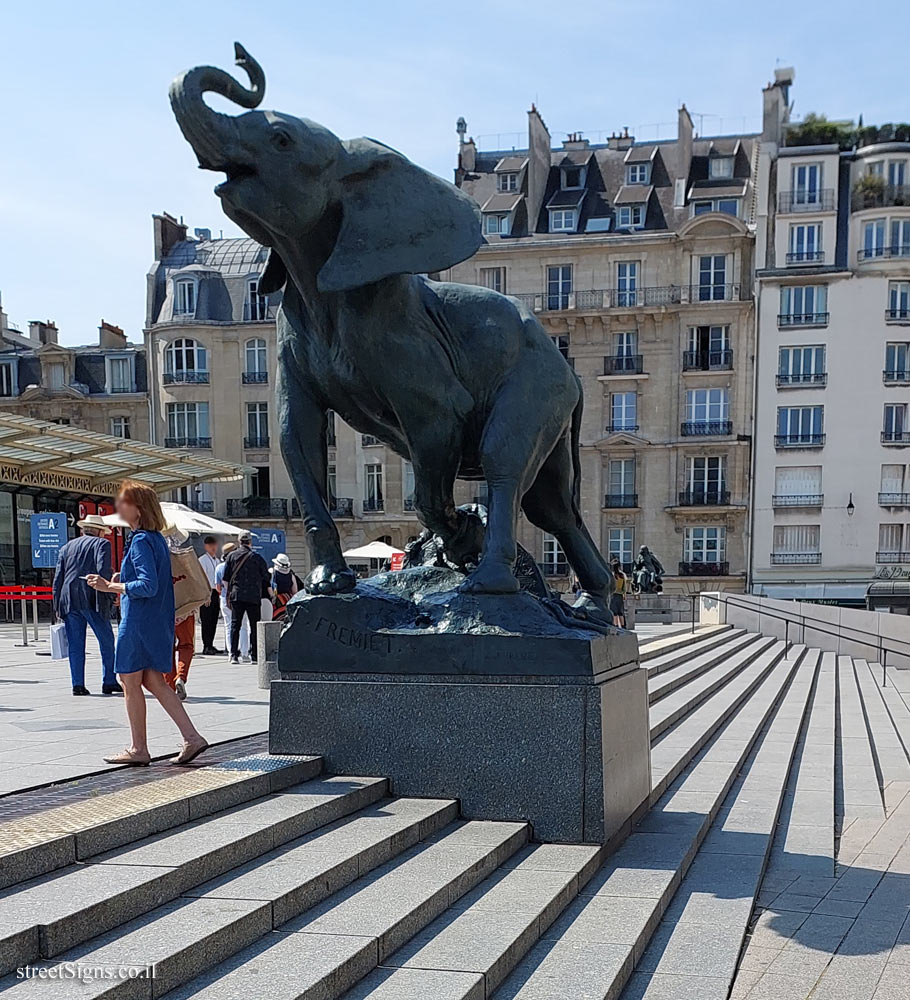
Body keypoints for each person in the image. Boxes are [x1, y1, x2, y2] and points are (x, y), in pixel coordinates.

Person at [87, 480, 207, 766]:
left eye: (124, 502)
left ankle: (139, 749)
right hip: (156, 620)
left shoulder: (141, 540)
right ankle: (192, 737)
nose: (119, 507)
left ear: (138, 509)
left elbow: (147, 585)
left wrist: (110, 587)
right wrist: (123, 581)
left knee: (128, 679)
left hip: (139, 621)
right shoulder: (156, 539)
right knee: (153, 680)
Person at [52, 513, 120, 696]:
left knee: (75, 644)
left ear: (83, 530)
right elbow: (102, 570)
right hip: (92, 597)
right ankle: (109, 681)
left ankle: (78, 684)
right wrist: (110, 590)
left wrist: (57, 604)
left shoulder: (66, 547)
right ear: (99, 532)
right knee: (106, 640)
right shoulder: (102, 544)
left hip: (69, 599)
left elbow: (58, 578)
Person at [223, 531, 271, 664]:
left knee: (235, 625)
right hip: (254, 596)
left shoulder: (231, 556)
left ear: (239, 542)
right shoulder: (257, 558)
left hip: (237, 595)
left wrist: (230, 592)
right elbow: (266, 578)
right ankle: (254, 655)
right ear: (250, 542)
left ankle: (233, 655)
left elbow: (225, 579)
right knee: (254, 626)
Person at [216, 542, 250, 661]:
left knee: (229, 626)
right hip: (239, 597)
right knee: (244, 626)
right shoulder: (238, 564)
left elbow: (218, 587)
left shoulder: (219, 567)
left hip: (225, 599)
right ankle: (245, 653)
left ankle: (231, 653)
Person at [197, 535, 223, 655]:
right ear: (206, 546)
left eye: (214, 545)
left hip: (216, 592)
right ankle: (206, 645)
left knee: (213, 619)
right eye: (210, 546)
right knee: (206, 619)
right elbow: (201, 579)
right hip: (207, 591)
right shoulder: (202, 560)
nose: (212, 548)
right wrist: (205, 594)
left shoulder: (217, 561)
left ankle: (211, 644)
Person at [270, 553, 299, 621]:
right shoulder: (291, 576)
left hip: (276, 600)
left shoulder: (272, 572)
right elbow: (295, 591)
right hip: (288, 599)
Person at [609, 560, 627, 629]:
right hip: (620, 595)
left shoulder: (611, 575)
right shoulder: (622, 575)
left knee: (614, 612)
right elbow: (624, 586)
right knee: (620, 612)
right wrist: (624, 594)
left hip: (613, 595)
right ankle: (623, 626)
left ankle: (615, 626)